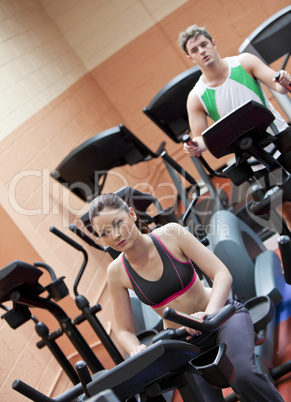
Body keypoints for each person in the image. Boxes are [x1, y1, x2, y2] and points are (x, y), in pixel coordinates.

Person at [89, 193, 284, 402]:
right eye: (105, 233)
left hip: (220, 317)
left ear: (131, 215)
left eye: (118, 223)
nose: (115, 235)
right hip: (182, 342)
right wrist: (135, 349)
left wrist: (208, 316)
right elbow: (124, 331)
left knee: (243, 377)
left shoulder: (171, 234)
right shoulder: (116, 272)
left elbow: (221, 274)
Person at [178, 24, 291, 228]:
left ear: (213, 43)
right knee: (287, 209)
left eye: (204, 44)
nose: (201, 51)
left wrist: (283, 79)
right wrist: (193, 146)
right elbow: (202, 140)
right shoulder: (196, 97)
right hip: (253, 156)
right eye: (194, 50)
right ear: (190, 58)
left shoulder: (244, 62)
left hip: (281, 137)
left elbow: (278, 86)